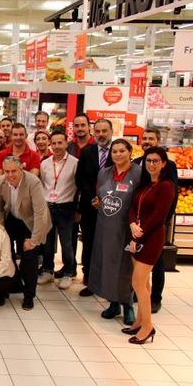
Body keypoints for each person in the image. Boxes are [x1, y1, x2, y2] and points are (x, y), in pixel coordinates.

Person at [87, 139, 142, 325]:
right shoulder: (104, 173)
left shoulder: (139, 173)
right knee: (108, 265)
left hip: (127, 228)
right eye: (114, 151)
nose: (118, 154)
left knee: (125, 267)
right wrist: (97, 203)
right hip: (105, 226)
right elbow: (100, 196)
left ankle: (127, 305)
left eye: (122, 151)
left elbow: (142, 201)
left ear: (130, 152)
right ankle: (112, 303)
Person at [126, 146, 175, 344]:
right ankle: (139, 321)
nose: (151, 164)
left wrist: (139, 233)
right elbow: (132, 206)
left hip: (151, 238)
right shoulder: (145, 185)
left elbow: (159, 216)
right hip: (137, 234)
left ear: (163, 163)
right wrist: (131, 224)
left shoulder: (166, 186)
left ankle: (148, 327)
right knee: (143, 283)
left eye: (155, 161)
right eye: (148, 161)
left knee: (137, 282)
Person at [0, 156, 51, 310]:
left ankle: (29, 295)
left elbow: (41, 213)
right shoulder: (1, 181)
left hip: (32, 222)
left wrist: (33, 240)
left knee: (29, 257)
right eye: (7, 171)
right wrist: (0, 229)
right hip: (12, 218)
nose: (10, 175)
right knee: (7, 252)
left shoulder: (33, 182)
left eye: (14, 171)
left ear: (21, 169)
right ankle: (15, 283)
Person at [134, 128, 178, 313]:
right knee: (139, 267)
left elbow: (171, 196)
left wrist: (163, 221)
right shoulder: (137, 163)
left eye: (151, 138)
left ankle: (155, 298)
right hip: (139, 224)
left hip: (157, 225)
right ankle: (141, 296)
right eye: (144, 138)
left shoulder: (169, 166)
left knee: (157, 263)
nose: (147, 141)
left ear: (158, 141)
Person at [75, 118, 114, 297]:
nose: (100, 134)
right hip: (90, 207)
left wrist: (105, 199)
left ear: (111, 132)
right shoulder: (87, 151)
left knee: (109, 245)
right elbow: (80, 179)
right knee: (89, 243)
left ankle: (107, 282)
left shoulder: (118, 151)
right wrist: (93, 198)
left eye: (104, 131)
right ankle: (90, 280)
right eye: (97, 131)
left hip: (113, 207)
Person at [38, 132, 78, 289]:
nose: (56, 146)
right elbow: (41, 184)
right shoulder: (45, 163)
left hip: (66, 206)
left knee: (66, 242)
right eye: (53, 143)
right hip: (48, 206)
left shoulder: (75, 163)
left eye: (59, 143)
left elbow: (78, 187)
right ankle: (48, 270)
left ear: (66, 143)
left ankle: (69, 272)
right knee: (47, 242)